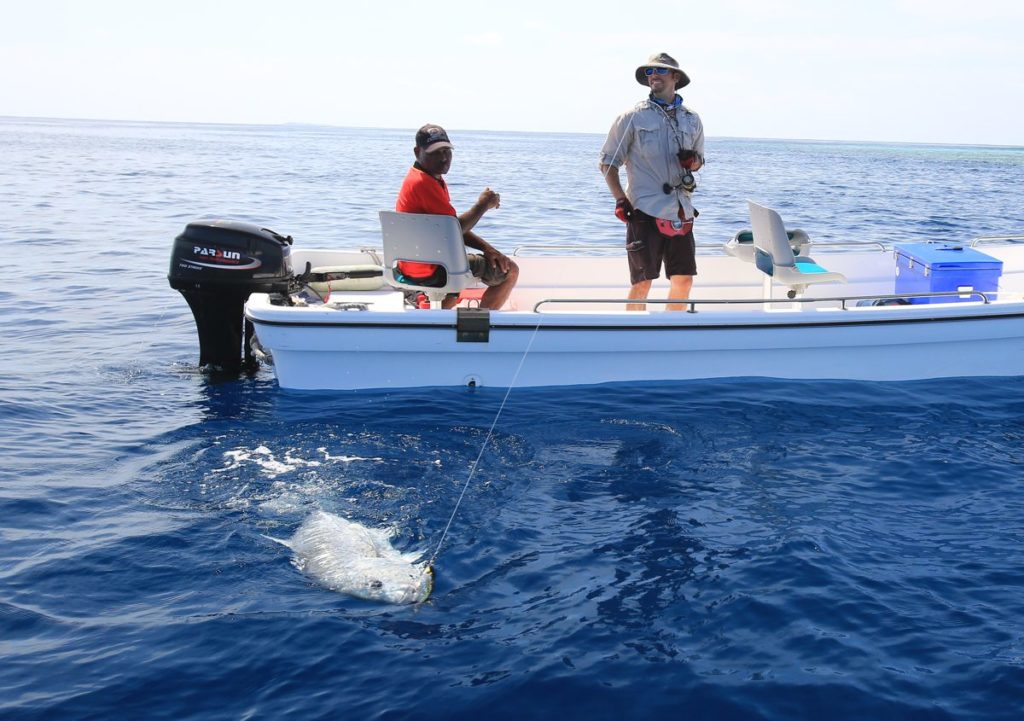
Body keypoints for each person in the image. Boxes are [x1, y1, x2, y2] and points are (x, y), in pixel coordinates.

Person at [599, 52, 705, 311]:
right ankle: (633, 336)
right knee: (642, 282)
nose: (653, 75)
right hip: (644, 210)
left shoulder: (693, 119)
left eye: (660, 70)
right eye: (649, 72)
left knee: (684, 280)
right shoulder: (632, 117)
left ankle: (672, 332)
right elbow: (607, 164)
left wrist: (692, 162)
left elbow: (700, 161)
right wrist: (620, 199)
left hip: (682, 210)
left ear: (675, 77)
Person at [395, 124, 518, 310]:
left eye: (446, 150)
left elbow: (452, 227)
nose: (443, 157)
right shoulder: (423, 183)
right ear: (417, 152)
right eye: (435, 152)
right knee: (509, 271)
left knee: (457, 267)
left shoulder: (423, 177)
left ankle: (438, 324)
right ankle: (480, 324)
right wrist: (483, 205)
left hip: (416, 264)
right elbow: (455, 230)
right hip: (433, 267)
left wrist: (488, 249)